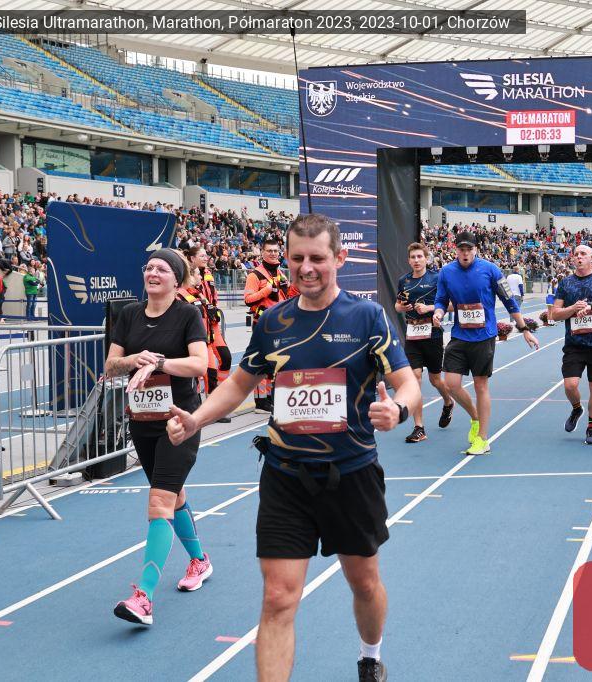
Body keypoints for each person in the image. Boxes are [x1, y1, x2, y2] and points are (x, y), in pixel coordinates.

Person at [167, 214, 420, 682]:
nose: (307, 268)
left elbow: (408, 385)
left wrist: (398, 410)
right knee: (278, 597)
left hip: (352, 474)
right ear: (286, 258)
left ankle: (370, 655)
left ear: (339, 258)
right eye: (297, 258)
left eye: (317, 258)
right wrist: (197, 418)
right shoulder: (272, 321)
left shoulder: (367, 317)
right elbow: (238, 385)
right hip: (286, 476)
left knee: (364, 583)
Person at [107, 249, 211, 625]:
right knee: (173, 495)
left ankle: (144, 597)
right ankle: (199, 560)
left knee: (159, 503)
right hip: (143, 420)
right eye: (148, 267)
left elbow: (200, 364)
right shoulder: (129, 314)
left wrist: (160, 362)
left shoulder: (187, 314)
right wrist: (133, 360)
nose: (152, 272)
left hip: (179, 422)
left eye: (162, 269)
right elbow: (110, 365)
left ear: (176, 279)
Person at [432, 231, 539, 456]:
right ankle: (475, 417)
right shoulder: (446, 272)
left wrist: (524, 329)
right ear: (455, 250)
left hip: (484, 336)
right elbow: (441, 299)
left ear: (476, 250)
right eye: (461, 249)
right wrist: (439, 313)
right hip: (459, 335)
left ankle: (482, 438)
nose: (465, 253)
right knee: (451, 383)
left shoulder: (491, 270)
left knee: (480, 385)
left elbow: (509, 300)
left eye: (469, 249)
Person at [550, 245, 592, 445]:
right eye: (576, 254)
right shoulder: (565, 283)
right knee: (570, 385)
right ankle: (577, 408)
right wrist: (573, 308)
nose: (579, 257)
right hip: (574, 344)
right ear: (572, 259)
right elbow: (555, 314)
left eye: (583, 254)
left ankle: (591, 427)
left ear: (591, 259)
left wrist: (591, 307)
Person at [395, 242, 454, 443]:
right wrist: (402, 307)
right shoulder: (404, 280)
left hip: (432, 334)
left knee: (435, 380)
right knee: (415, 378)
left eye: (420, 256)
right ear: (408, 260)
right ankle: (419, 427)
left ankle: (448, 401)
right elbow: (397, 305)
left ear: (426, 259)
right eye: (413, 257)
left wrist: (429, 309)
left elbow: (451, 304)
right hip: (412, 335)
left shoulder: (437, 278)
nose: (416, 260)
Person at [184, 245, 232, 417]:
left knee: (225, 359)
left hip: (211, 327)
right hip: (199, 332)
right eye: (202, 255)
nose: (206, 258)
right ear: (192, 259)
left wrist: (213, 308)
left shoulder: (208, 275)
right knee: (201, 371)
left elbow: (212, 297)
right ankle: (201, 405)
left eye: (206, 255)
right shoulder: (186, 284)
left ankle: (219, 397)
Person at [244, 238, 291, 411]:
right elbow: (248, 299)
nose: (273, 253)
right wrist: (266, 291)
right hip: (262, 324)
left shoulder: (281, 274)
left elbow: (286, 298)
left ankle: (270, 397)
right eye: (269, 251)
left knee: (275, 363)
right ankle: (260, 401)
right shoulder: (254, 275)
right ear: (262, 252)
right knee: (262, 363)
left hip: (280, 324)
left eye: (275, 251)